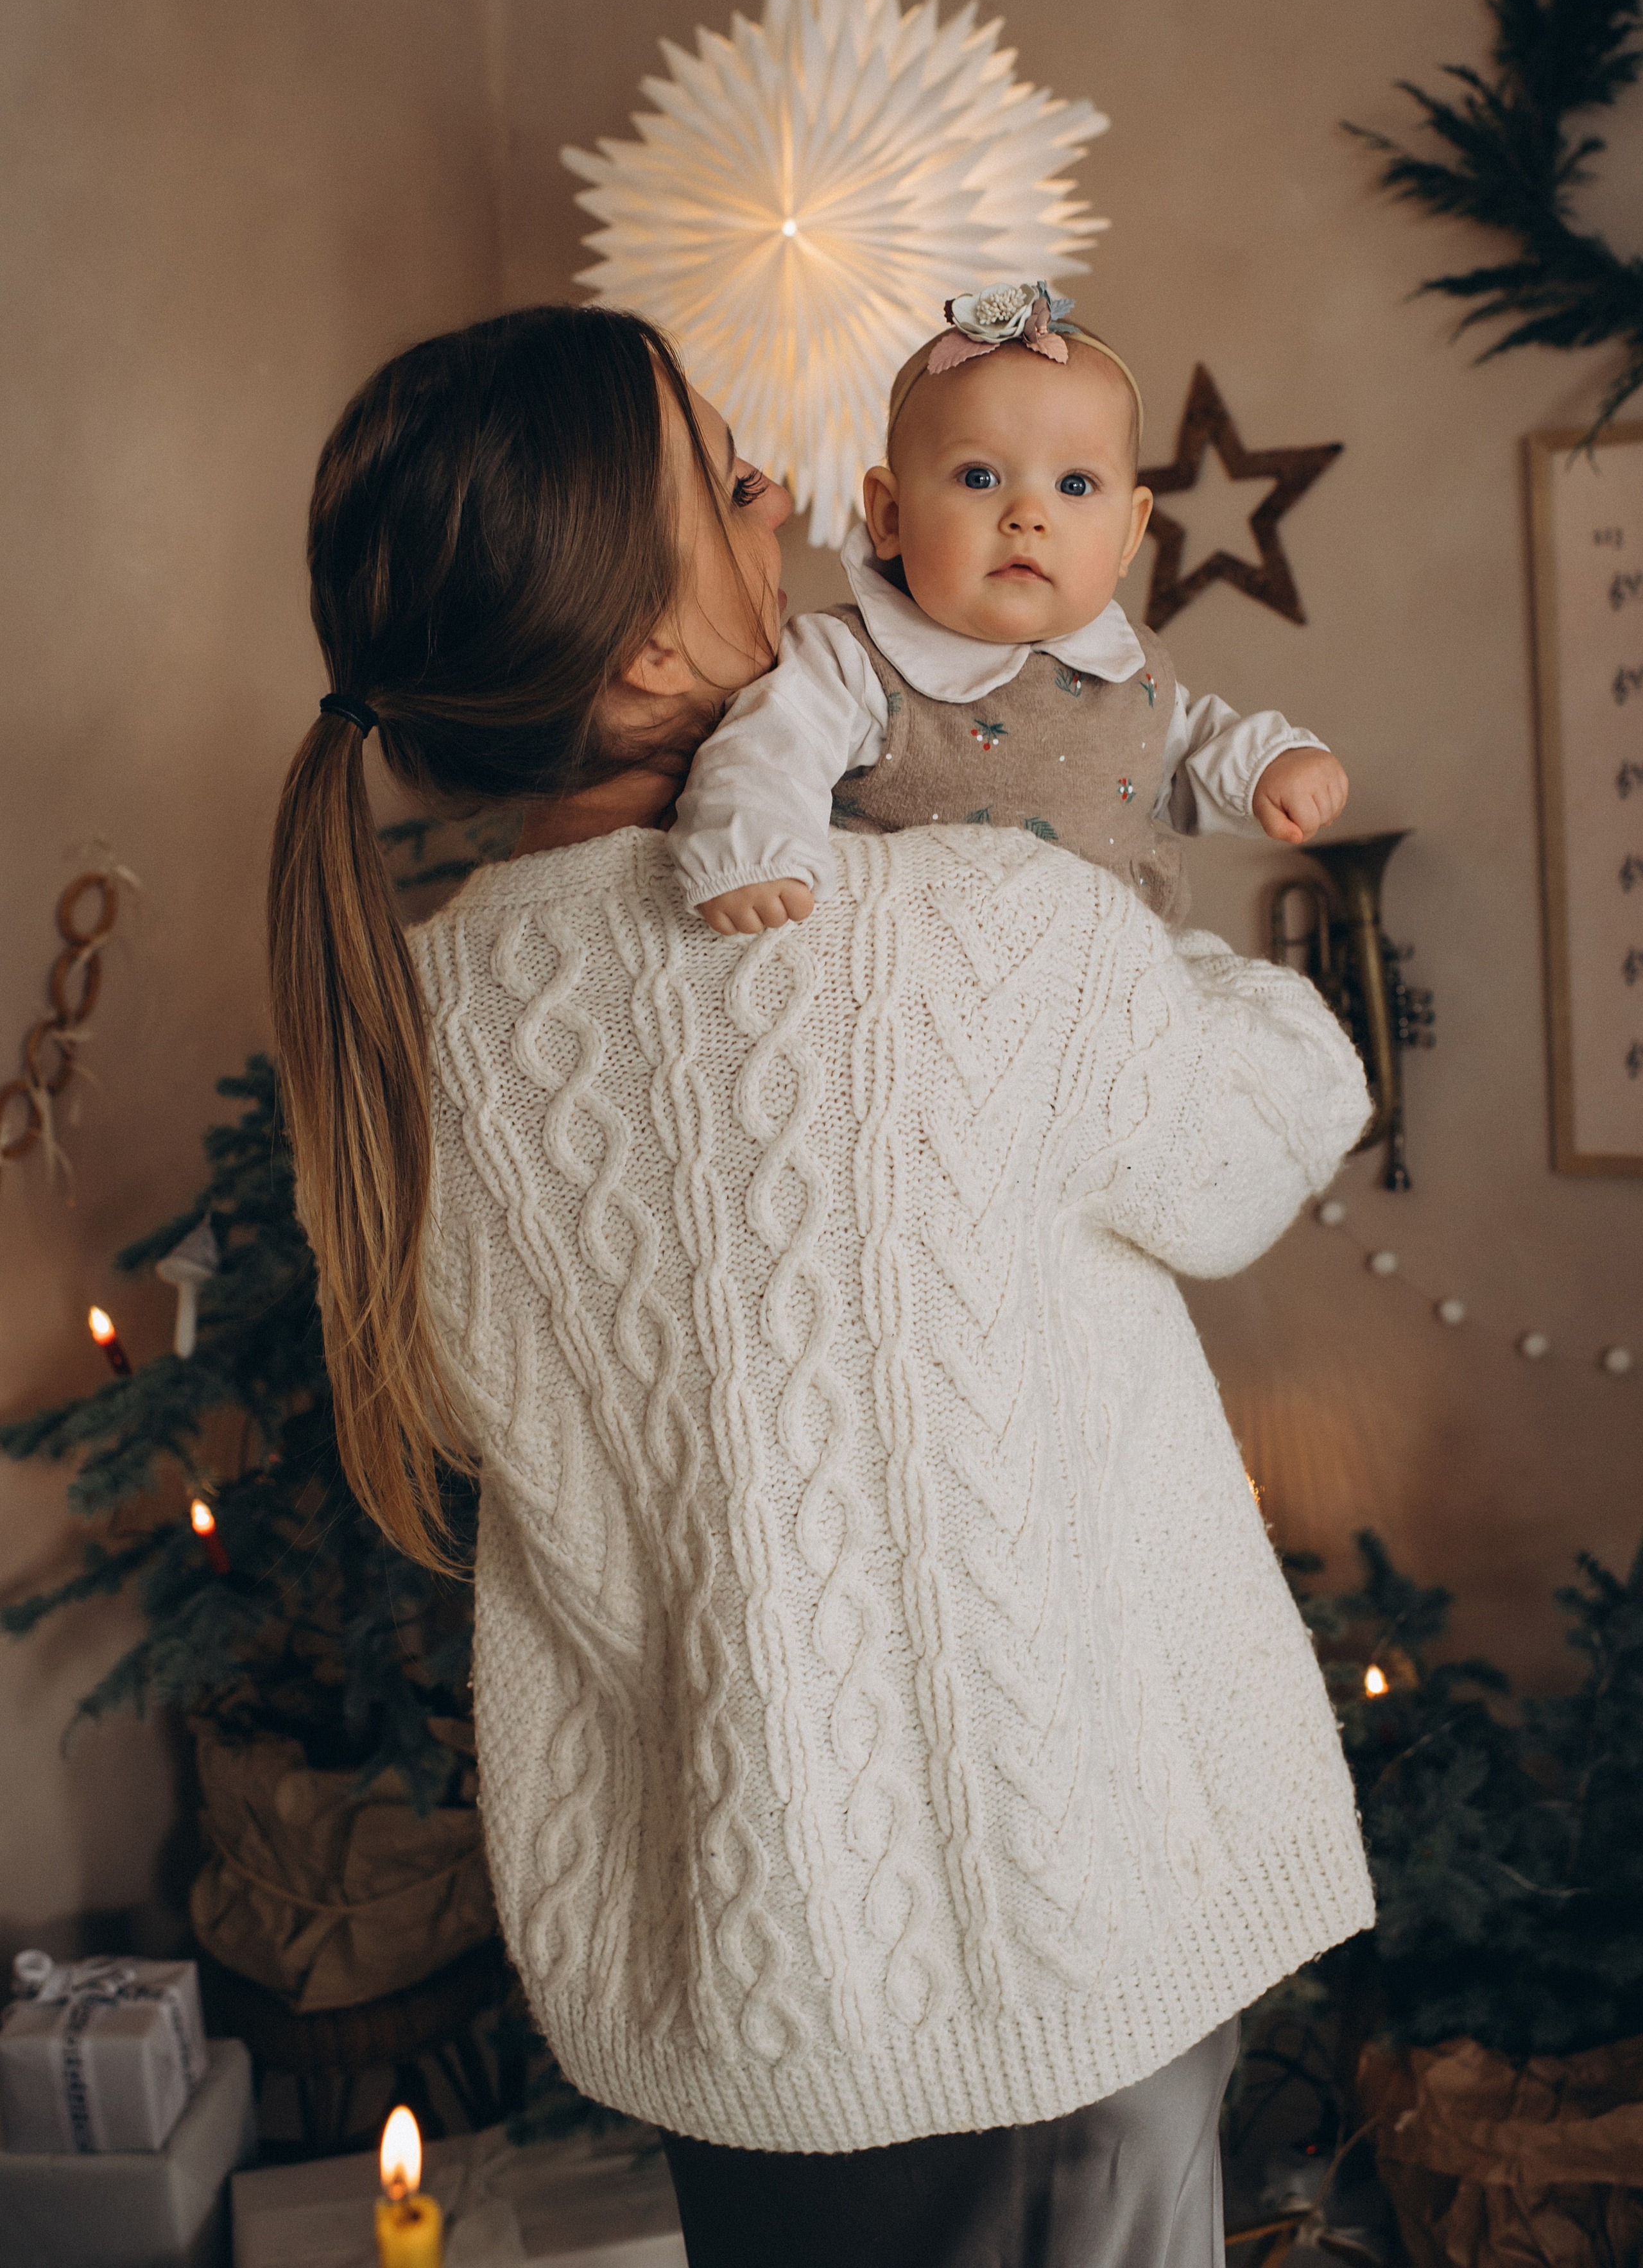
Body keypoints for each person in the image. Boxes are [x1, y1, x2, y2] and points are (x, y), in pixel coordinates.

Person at [267, 304, 1374, 2268]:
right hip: (1042, 1968)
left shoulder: (400, 1033)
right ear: (646, 650)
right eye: (720, 472)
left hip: (742, 2008)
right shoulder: (978, 925)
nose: (778, 494)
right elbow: (1275, 1117)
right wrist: (1157, 950)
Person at [669, 281, 1348, 938]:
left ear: (1130, 534)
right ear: (891, 515)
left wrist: (1269, 768)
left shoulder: (1133, 672)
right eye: (979, 477)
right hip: (920, 979)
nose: (1028, 515)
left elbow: (1189, 753)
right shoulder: (851, 662)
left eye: (1074, 484)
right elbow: (769, 751)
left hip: (1115, 985)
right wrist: (755, 852)